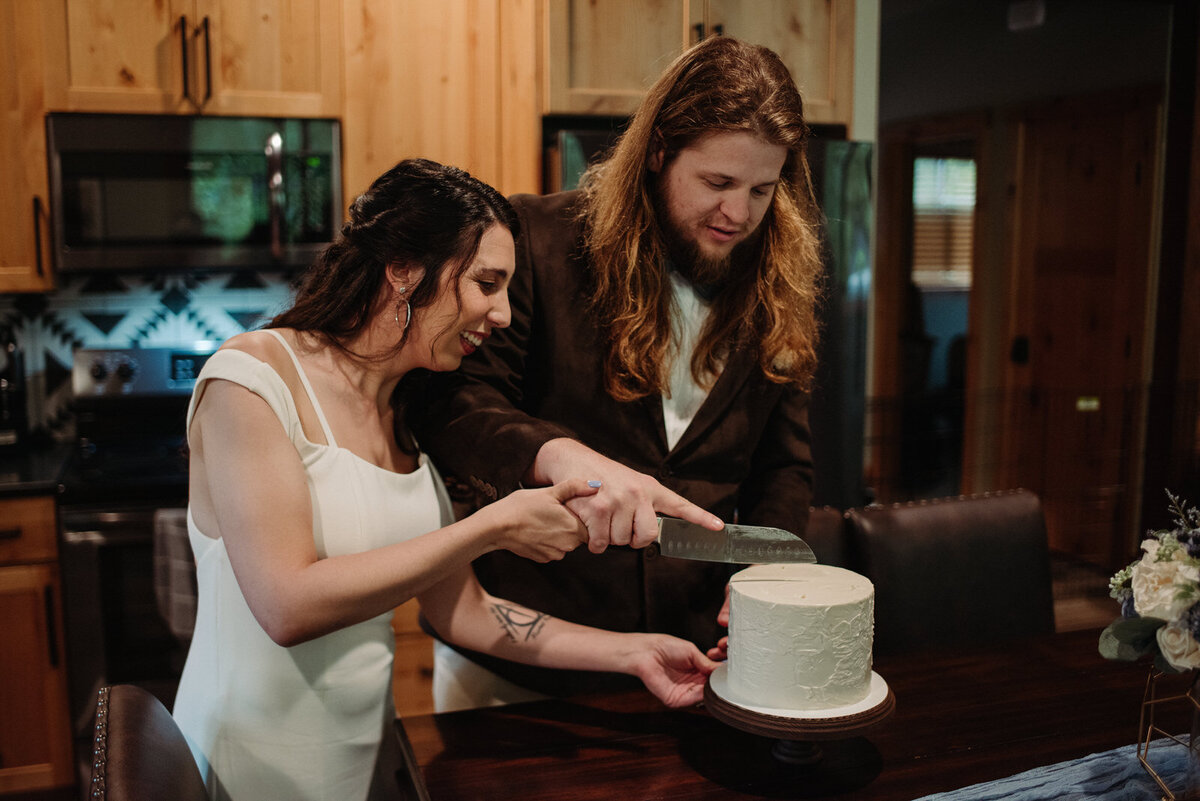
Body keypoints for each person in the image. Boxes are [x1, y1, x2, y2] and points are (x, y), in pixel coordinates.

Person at [171, 159, 719, 801]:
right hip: (243, 765)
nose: (504, 313)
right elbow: (286, 604)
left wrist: (632, 652)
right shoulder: (254, 378)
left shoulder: (406, 414)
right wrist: (492, 528)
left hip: (360, 763)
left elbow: (466, 612)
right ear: (403, 268)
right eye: (488, 283)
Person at [413, 35, 824, 711]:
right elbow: (455, 402)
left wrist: (759, 575)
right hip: (524, 662)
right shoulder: (537, 242)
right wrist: (554, 455)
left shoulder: (778, 283)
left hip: (688, 661)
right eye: (717, 182)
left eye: (761, 189)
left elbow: (785, 466)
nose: (739, 214)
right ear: (658, 151)